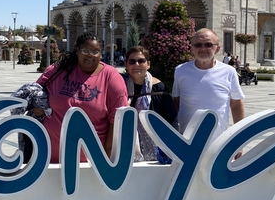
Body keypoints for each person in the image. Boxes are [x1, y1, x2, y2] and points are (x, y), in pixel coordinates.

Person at [37, 32, 128, 163]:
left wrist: (108, 158)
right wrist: (37, 108)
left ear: (101, 54)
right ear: (77, 50)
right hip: (49, 159)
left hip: (91, 163)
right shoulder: (57, 71)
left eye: (96, 51)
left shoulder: (110, 76)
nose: (90, 54)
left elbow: (118, 118)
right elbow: (33, 93)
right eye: (85, 50)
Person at [172, 28, 245, 146]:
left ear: (217, 48)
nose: (203, 48)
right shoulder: (181, 70)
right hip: (186, 143)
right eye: (198, 44)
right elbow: (176, 102)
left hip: (218, 143)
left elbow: (236, 105)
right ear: (192, 48)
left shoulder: (229, 72)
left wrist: (239, 140)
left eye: (208, 44)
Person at [123, 46, 178, 163]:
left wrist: (172, 148)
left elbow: (171, 119)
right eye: (132, 61)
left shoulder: (158, 88)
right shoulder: (119, 85)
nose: (136, 64)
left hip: (156, 148)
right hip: (125, 145)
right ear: (126, 64)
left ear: (148, 64)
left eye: (141, 61)